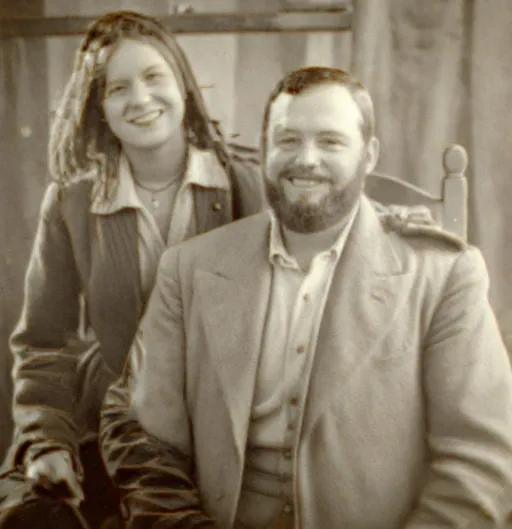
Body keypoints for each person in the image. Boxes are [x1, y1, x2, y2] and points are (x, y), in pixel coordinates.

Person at [99, 66, 512, 529]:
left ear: (368, 154)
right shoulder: (188, 268)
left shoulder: (444, 275)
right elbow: (149, 434)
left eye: (331, 142)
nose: (306, 160)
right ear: (264, 152)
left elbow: (482, 462)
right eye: (288, 140)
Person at [0, 10, 265, 529]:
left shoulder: (244, 184)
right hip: (110, 421)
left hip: (230, 427)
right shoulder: (74, 202)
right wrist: (47, 439)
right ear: (100, 108)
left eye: (153, 78)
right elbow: (44, 342)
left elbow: (322, 234)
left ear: (183, 86)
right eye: (117, 88)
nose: (140, 100)